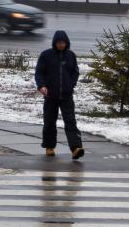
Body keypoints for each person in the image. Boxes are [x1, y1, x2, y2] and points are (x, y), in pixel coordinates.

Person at [35, 29, 84, 159]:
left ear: (67, 43)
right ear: (54, 43)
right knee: (50, 122)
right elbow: (39, 72)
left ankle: (76, 148)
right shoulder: (46, 55)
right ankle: (49, 147)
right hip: (50, 96)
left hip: (66, 96)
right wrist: (42, 86)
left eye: (63, 42)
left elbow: (75, 72)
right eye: (58, 42)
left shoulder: (70, 55)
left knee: (70, 122)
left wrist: (71, 84)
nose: (61, 45)